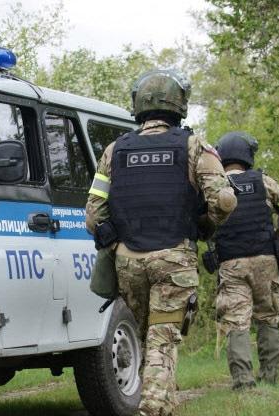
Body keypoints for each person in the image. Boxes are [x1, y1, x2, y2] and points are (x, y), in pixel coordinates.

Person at [85, 69, 237, 416]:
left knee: (149, 338)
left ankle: (162, 403)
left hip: (128, 261)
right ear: (179, 104)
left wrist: (115, 242)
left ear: (139, 105)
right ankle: (153, 408)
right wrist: (204, 226)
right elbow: (225, 201)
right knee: (163, 339)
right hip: (173, 259)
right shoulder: (195, 146)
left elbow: (93, 216)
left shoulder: (114, 151)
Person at [211, 132, 279, 389]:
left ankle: (243, 382)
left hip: (231, 262)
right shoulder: (263, 180)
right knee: (268, 316)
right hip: (265, 260)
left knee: (236, 320)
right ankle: (269, 377)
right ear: (247, 156)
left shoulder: (214, 185)